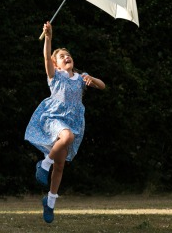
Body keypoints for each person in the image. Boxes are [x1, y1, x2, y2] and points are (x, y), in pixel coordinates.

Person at [24, 21, 105, 223]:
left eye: (68, 55)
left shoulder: (81, 77)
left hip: (73, 120)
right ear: (56, 64)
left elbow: (103, 86)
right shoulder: (55, 76)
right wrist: (49, 37)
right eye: (61, 56)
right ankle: (44, 163)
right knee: (66, 136)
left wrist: (92, 79)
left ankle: (50, 202)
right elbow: (45, 56)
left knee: (60, 167)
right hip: (53, 118)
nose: (66, 57)